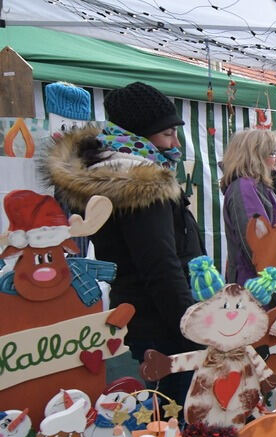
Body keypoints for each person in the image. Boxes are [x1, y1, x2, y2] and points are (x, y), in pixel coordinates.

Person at [44, 81, 205, 407]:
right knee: (179, 416)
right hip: (165, 323)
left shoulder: (108, 175)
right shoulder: (140, 182)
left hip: (140, 314)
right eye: (167, 134)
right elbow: (160, 264)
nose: (175, 142)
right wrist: (191, 326)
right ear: (139, 135)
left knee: (162, 414)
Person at [221, 128, 276, 286]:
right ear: (255, 156)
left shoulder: (263, 187)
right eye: (273, 153)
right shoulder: (245, 188)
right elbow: (257, 246)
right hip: (257, 289)